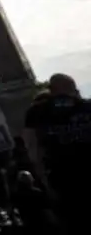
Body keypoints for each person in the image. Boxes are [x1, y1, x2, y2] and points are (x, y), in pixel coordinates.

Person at [23, 73, 91, 235]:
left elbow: (32, 148)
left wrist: (42, 179)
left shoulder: (36, 112)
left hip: (62, 177)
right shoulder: (87, 107)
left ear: (51, 90)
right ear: (73, 88)